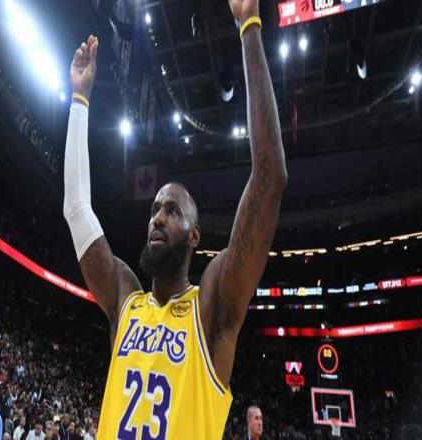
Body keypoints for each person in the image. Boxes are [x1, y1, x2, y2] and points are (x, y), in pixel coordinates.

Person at [63, 0, 286, 437]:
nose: (158, 218)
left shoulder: (211, 307)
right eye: (154, 210)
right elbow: (76, 208)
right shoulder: (126, 299)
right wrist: (79, 100)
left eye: (172, 211)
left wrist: (249, 25)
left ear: (194, 236)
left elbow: (269, 176)